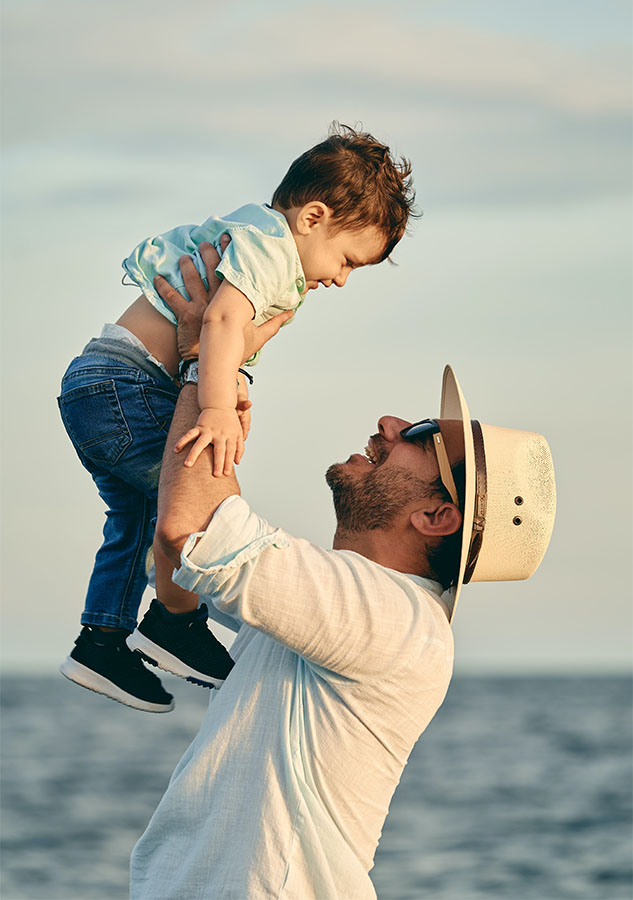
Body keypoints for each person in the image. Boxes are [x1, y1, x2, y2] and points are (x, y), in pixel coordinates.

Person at [129, 252, 556, 899]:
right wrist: (218, 386)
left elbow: (191, 530)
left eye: (416, 434)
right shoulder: (350, 604)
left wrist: (210, 360)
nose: (387, 424)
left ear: (436, 515)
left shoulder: (396, 618)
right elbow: (189, 559)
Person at [57, 124, 417, 712]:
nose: (342, 278)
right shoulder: (270, 247)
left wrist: (234, 378)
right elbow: (222, 322)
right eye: (348, 259)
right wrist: (218, 407)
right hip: (130, 385)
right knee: (203, 505)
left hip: (97, 387)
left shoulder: (257, 239)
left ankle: (102, 641)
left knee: (135, 519)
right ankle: (173, 625)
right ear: (313, 217)